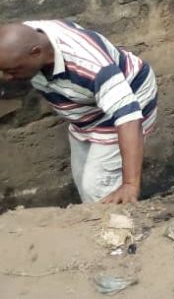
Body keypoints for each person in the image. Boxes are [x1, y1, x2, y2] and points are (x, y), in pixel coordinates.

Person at [0, 20, 157, 204]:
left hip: (129, 98)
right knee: (83, 177)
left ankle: (117, 226)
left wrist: (130, 185)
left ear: (36, 52)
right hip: (86, 110)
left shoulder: (91, 66)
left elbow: (128, 118)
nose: (7, 78)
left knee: (96, 186)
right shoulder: (22, 39)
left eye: (12, 71)